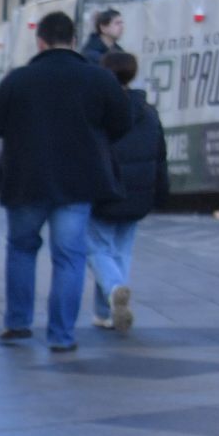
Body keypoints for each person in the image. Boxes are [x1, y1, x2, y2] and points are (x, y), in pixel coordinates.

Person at [0, 10, 133, 352]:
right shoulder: (97, 79)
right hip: (77, 182)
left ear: (40, 42)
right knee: (69, 257)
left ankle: (18, 323)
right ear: (74, 41)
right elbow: (123, 122)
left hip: (25, 181)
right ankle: (61, 336)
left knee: (21, 249)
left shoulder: (19, 79)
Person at [88, 51, 168, 333]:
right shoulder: (148, 111)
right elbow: (160, 156)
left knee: (96, 248)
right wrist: (160, 193)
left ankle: (114, 289)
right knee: (121, 251)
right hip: (138, 195)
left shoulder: (98, 111)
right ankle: (106, 312)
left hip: (104, 190)